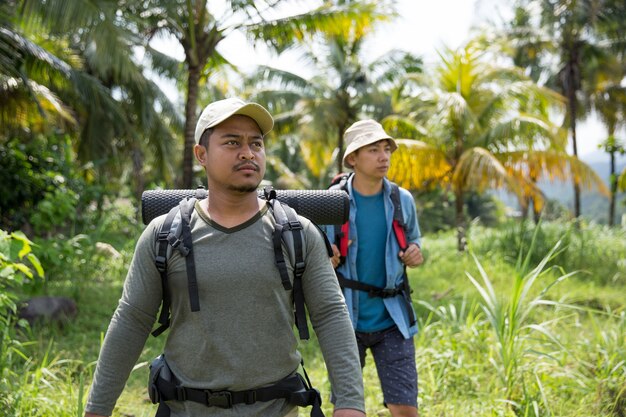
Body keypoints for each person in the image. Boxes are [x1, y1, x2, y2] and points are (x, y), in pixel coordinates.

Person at [84, 97, 366, 417]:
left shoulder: (297, 233)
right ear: (201, 154)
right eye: (232, 142)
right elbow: (132, 320)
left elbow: (330, 315)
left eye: (255, 143)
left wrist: (350, 404)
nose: (247, 152)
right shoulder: (165, 235)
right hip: (185, 410)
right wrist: (97, 409)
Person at [325, 119, 424, 417]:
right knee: (348, 409)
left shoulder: (401, 199)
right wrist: (325, 258)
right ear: (353, 158)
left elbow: (415, 242)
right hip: (345, 320)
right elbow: (315, 254)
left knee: (405, 409)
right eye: (373, 150)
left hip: (393, 319)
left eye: (386, 149)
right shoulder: (331, 203)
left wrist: (416, 254)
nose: (384, 157)